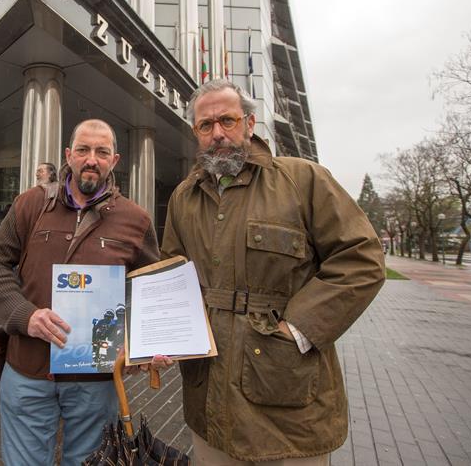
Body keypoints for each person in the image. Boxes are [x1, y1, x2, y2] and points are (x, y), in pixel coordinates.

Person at [159, 79, 385, 465]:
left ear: (249, 123)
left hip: (286, 397)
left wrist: (297, 330)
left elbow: (361, 258)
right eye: (206, 125)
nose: (218, 134)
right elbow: (173, 276)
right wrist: (164, 335)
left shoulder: (302, 179)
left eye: (227, 121)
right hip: (209, 396)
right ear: (195, 133)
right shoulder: (184, 197)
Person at [0, 119, 159, 465]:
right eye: (83, 150)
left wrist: (143, 343)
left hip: (95, 381)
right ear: (69, 155)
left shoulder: (136, 220)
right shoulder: (30, 204)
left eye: (101, 152)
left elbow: (148, 288)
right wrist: (24, 315)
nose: (92, 159)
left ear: (114, 160)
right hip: (27, 371)